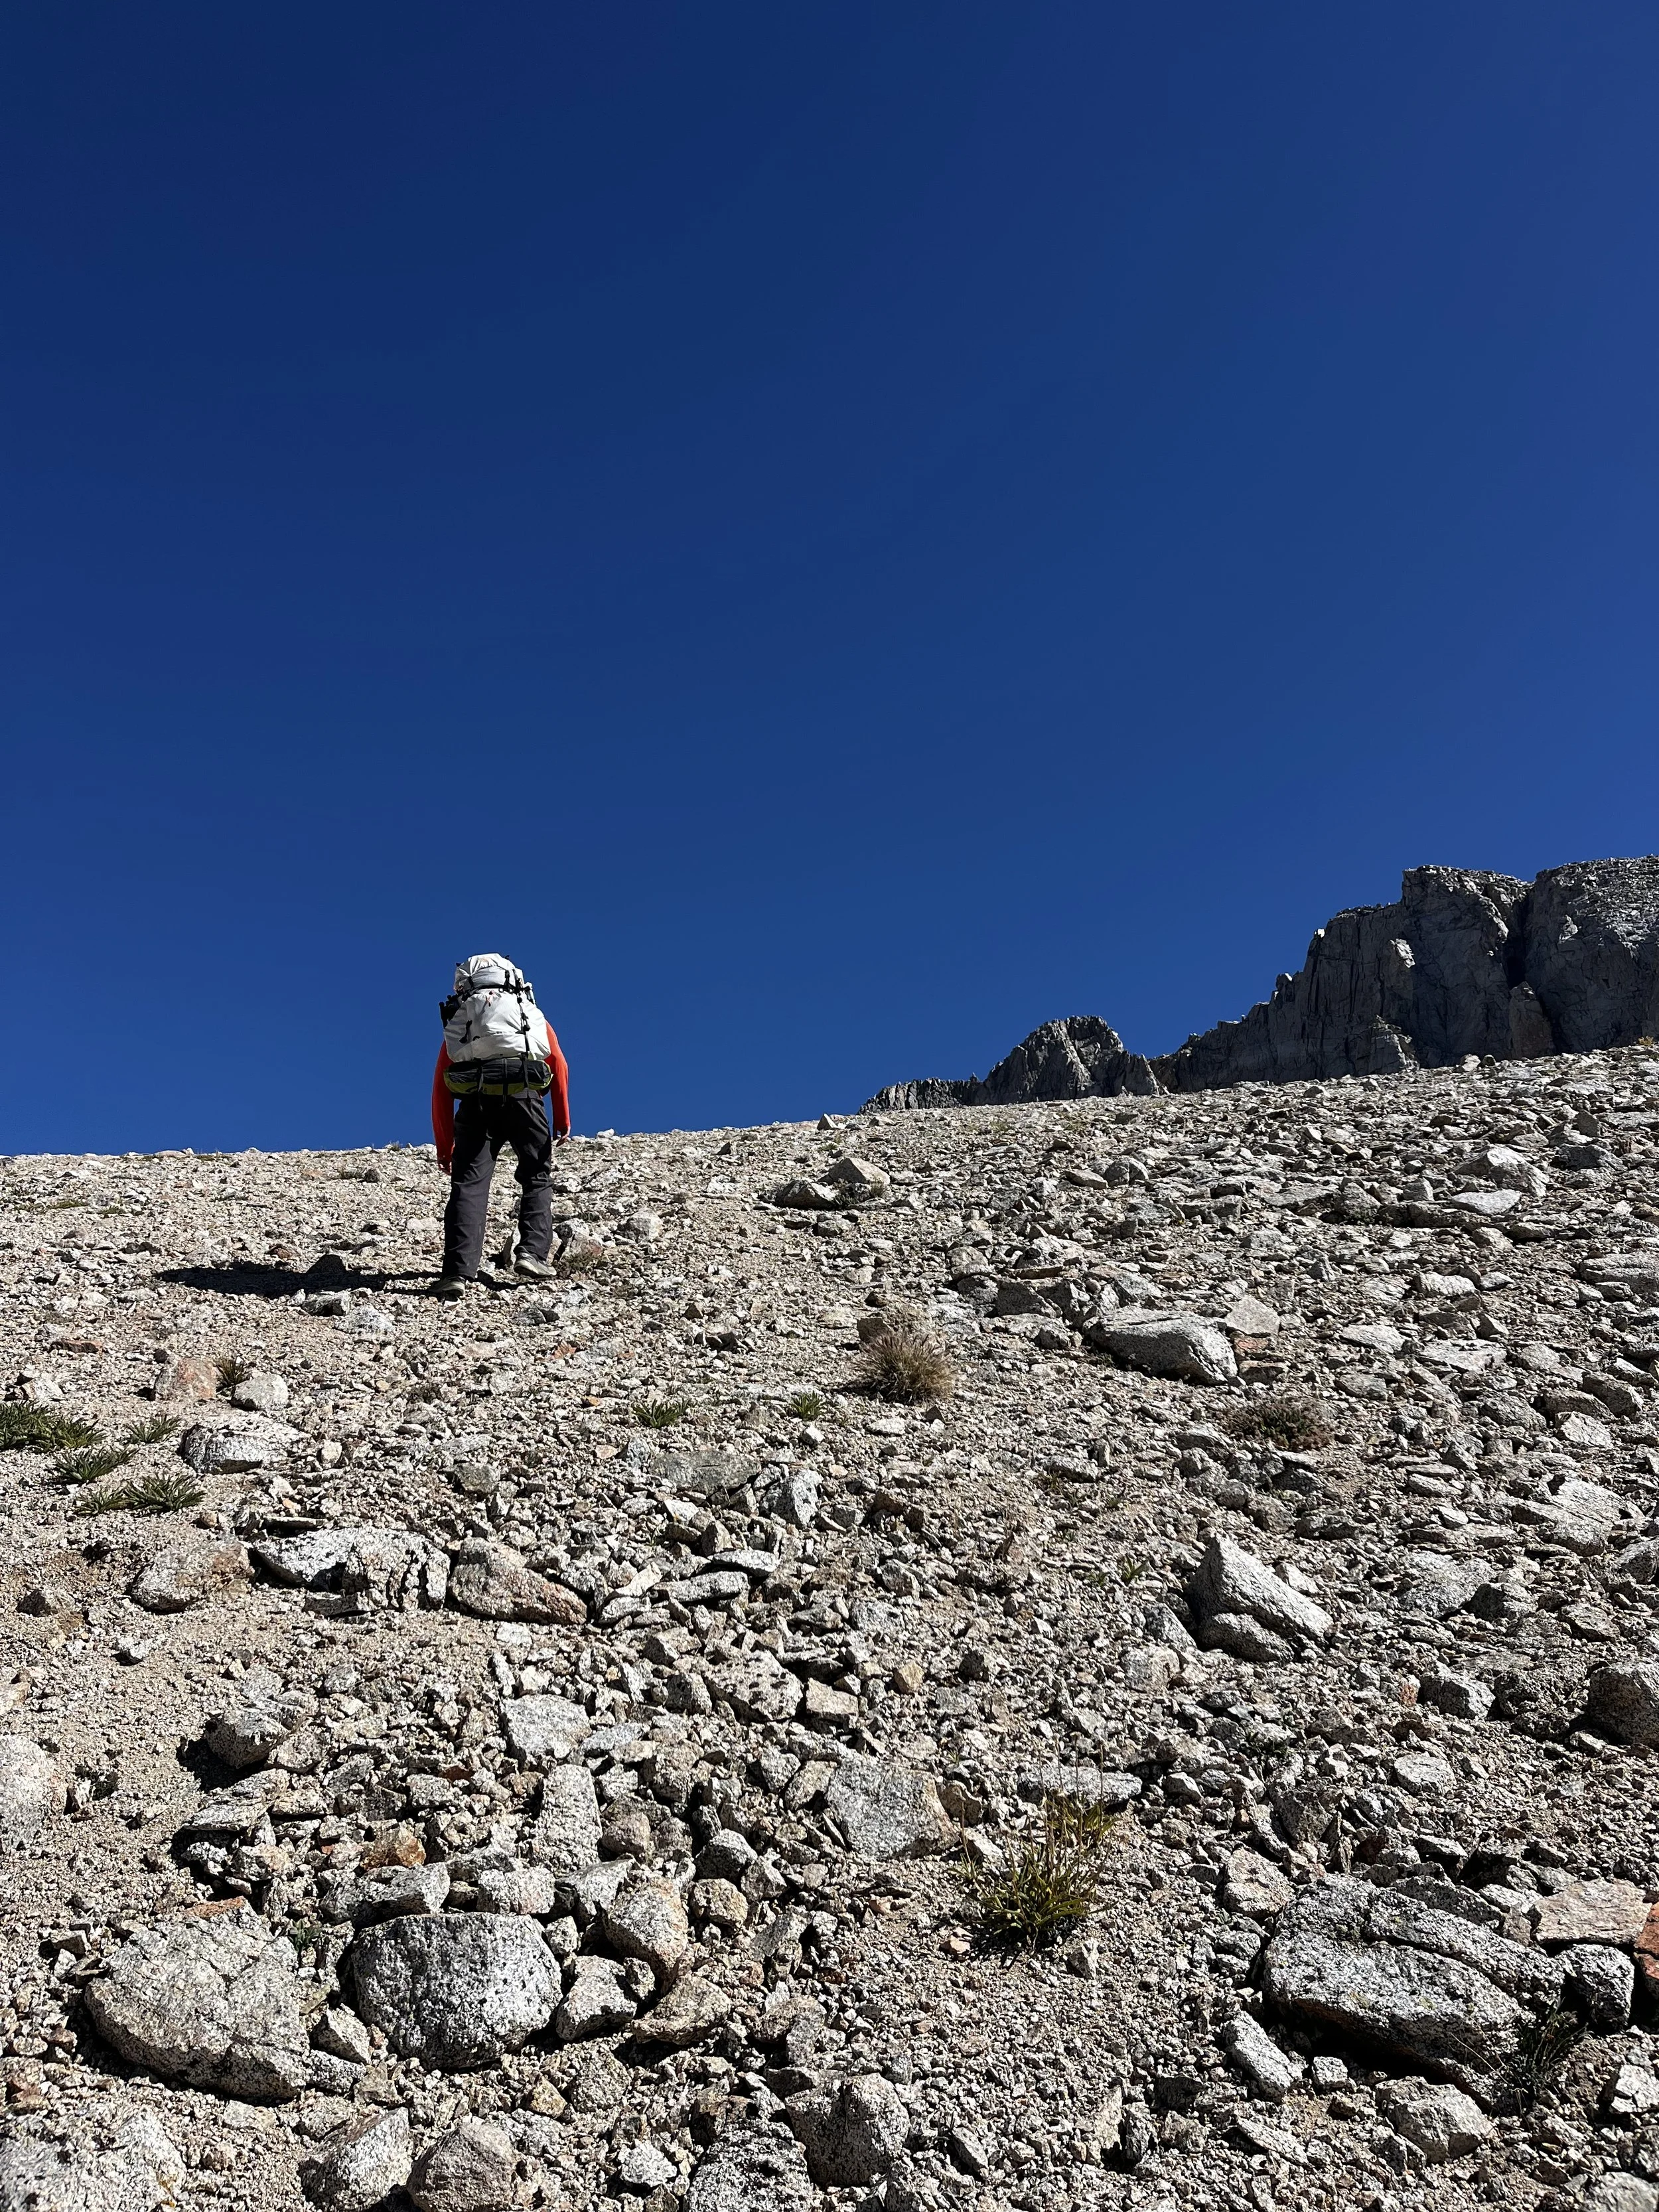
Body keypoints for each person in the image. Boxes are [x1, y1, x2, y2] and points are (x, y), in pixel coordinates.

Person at [431, 954, 570, 1299]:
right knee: (536, 1175)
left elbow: (441, 1087)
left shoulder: (464, 1022)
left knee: (469, 1185)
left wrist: (445, 1146)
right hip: (526, 1098)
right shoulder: (529, 1015)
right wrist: (563, 1117)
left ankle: (457, 1273)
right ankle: (531, 1254)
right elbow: (557, 1063)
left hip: (476, 1103)